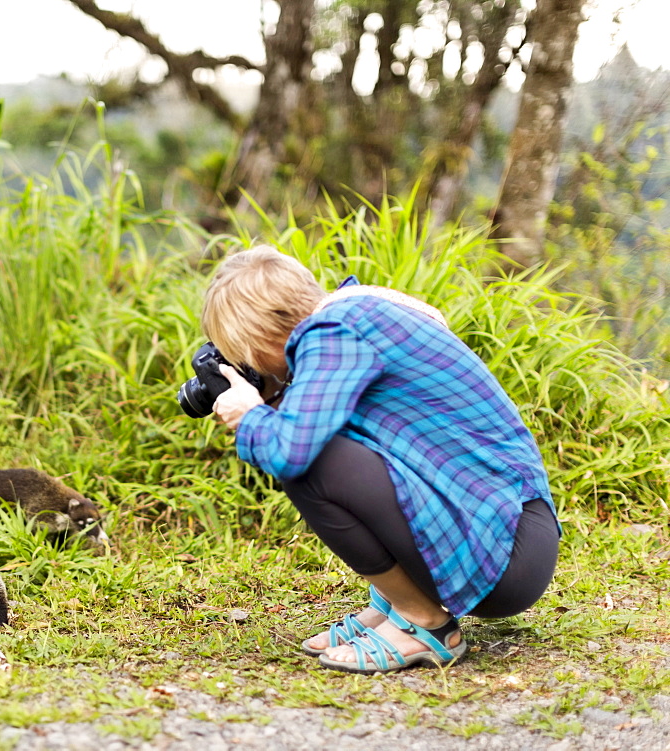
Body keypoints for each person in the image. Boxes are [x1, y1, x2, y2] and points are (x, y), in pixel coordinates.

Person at [201, 245, 560, 674]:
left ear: (261, 333)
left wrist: (252, 415)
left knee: (309, 465)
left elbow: (290, 451)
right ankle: (396, 607)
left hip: (508, 555)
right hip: (514, 535)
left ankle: (425, 621)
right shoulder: (357, 314)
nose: (248, 366)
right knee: (322, 441)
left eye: (243, 353)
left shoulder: (333, 332)